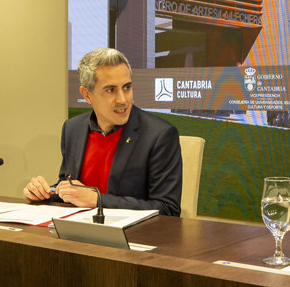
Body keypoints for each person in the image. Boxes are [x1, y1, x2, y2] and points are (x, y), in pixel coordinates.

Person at [23, 48, 183, 216]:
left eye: (127, 87)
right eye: (110, 90)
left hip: (132, 237)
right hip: (78, 232)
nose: (122, 99)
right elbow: (71, 188)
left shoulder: (159, 135)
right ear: (87, 94)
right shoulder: (72, 129)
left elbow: (168, 209)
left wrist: (97, 200)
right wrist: (45, 193)